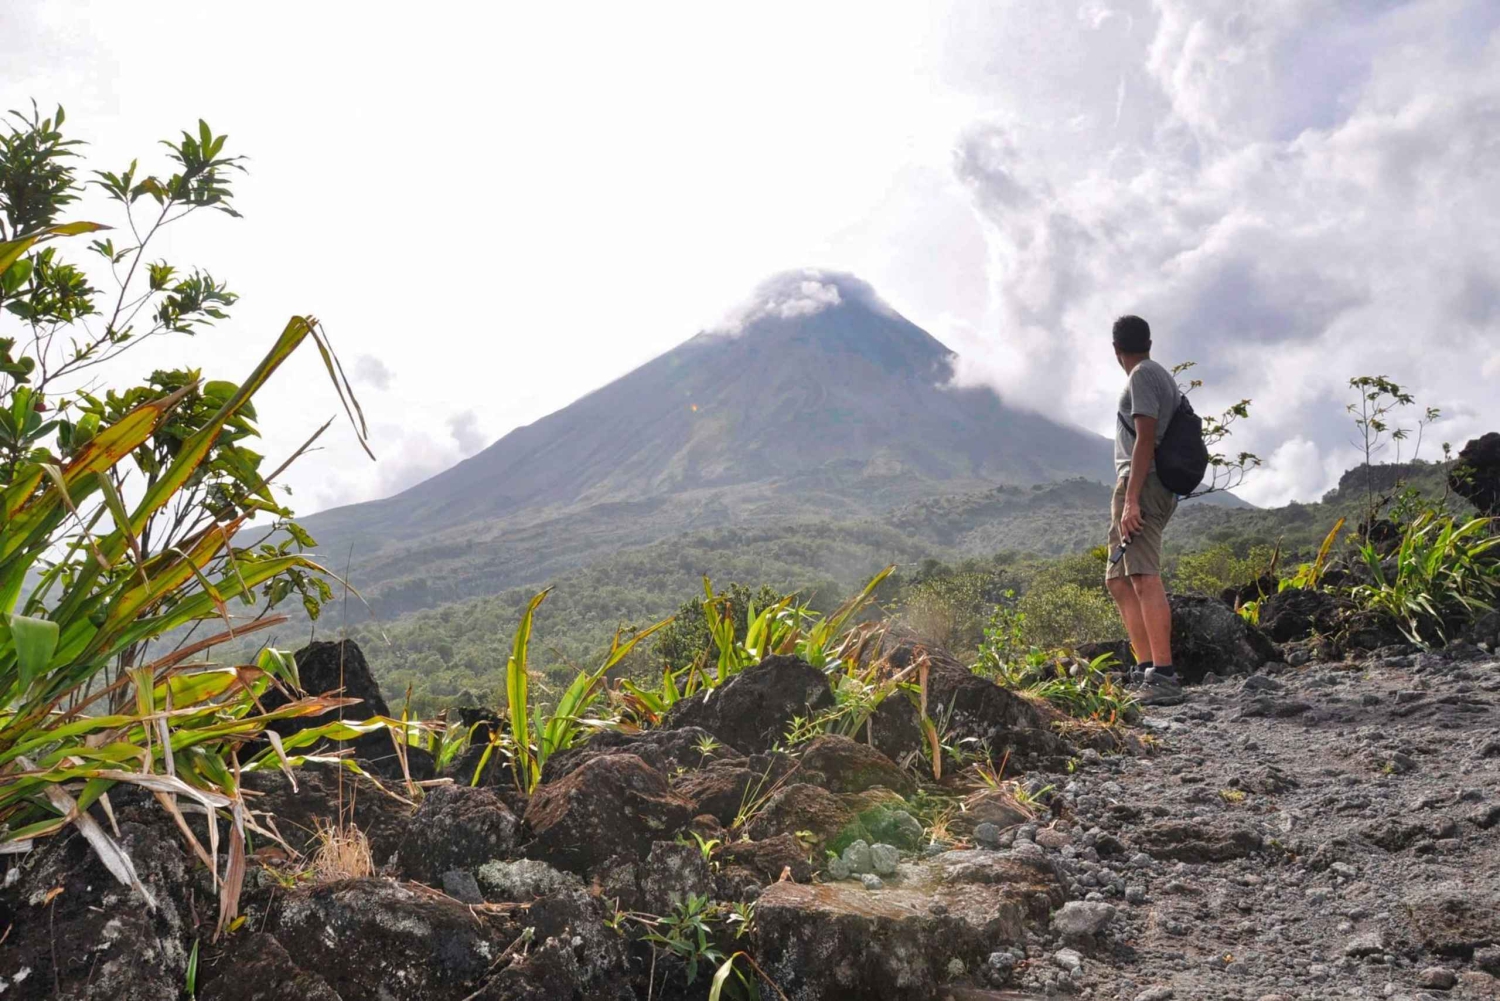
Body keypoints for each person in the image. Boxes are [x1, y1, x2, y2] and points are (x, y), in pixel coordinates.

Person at [1105, 315, 1183, 705]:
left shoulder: (1142, 376)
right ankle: (1145, 667)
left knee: (1142, 575)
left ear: (1115, 349)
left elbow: (1146, 438)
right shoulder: (1158, 374)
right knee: (1118, 578)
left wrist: (1132, 499)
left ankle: (1164, 674)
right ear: (1149, 341)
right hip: (1142, 484)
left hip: (1144, 484)